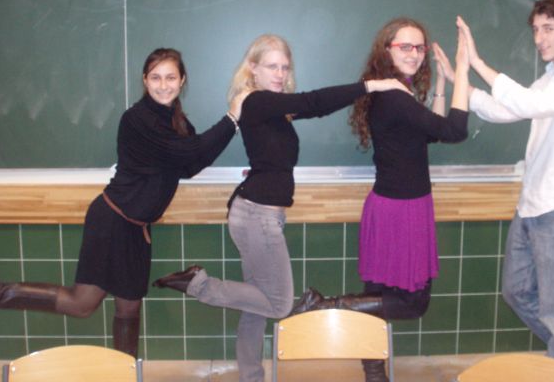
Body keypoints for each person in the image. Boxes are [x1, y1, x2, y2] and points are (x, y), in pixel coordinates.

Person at [152, 34, 411, 382]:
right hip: (256, 215)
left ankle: (251, 377)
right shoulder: (256, 100)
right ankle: (198, 284)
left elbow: (310, 109)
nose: (279, 73)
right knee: (279, 303)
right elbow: (314, 102)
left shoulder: (274, 108)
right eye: (271, 66)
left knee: (255, 306)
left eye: (284, 67)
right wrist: (372, 85)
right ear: (253, 68)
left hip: (258, 213)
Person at [0, 48, 245, 358]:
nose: (163, 85)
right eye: (156, 78)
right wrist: (232, 118)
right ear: (144, 80)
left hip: (136, 229)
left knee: (130, 307)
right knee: (82, 304)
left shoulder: (176, 123)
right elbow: (189, 152)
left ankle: (124, 372)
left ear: (182, 80)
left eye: (170, 78)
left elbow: (190, 164)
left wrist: (231, 124)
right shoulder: (138, 119)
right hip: (112, 220)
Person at [288, 17, 470, 382]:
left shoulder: (395, 93)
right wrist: (462, 70)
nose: (414, 54)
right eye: (405, 46)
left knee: (376, 299)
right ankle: (325, 304)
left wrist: (438, 86)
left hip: (392, 205)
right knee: (413, 303)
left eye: (419, 47)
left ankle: (374, 375)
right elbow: (454, 130)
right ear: (386, 50)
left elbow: (431, 133)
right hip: (403, 210)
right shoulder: (395, 97)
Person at [457, 0, 554, 382]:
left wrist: (477, 62)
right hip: (532, 204)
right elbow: (508, 109)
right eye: (535, 30)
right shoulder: (552, 77)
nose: (538, 38)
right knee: (517, 292)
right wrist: (459, 84)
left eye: (548, 29)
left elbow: (525, 104)